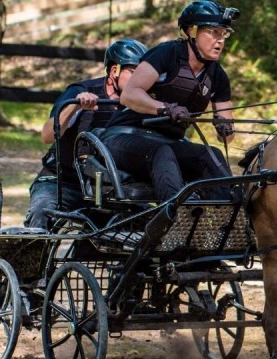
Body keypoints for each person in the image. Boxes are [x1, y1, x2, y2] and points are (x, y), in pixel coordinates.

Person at [100, 0, 240, 202]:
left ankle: (226, 222)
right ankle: (175, 220)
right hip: (122, 137)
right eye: (213, 32)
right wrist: (164, 109)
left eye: (223, 34)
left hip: (170, 143)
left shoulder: (218, 76)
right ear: (192, 32)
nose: (220, 41)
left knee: (211, 156)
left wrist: (225, 128)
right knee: (162, 152)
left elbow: (227, 136)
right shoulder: (167, 54)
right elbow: (129, 94)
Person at [24, 38, 149, 230]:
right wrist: (75, 106)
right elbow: (47, 136)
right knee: (42, 212)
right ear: (114, 70)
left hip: (108, 188)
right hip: (62, 181)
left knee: (150, 220)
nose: (139, 80)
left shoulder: (141, 102)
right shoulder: (82, 90)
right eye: (133, 72)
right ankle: (30, 257)